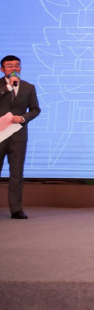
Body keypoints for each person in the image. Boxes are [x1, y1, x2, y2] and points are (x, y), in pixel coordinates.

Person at [0, 55, 41, 219]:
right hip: (0, 134)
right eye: (9, 66)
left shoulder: (28, 87)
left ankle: (16, 209)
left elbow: (35, 109)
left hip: (18, 135)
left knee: (17, 173)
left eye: (17, 65)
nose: (14, 68)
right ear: (2, 69)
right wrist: (8, 88)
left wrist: (23, 118)